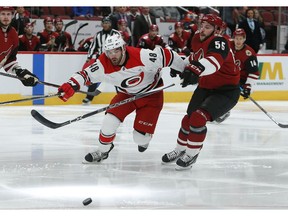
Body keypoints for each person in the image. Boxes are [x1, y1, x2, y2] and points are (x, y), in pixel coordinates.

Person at [57, 34, 186, 163]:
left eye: (116, 50)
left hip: (151, 95)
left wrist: (184, 70)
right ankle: (103, 151)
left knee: (140, 140)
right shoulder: (103, 63)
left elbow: (167, 56)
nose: (112, 55)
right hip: (126, 94)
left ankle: (144, 136)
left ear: (123, 48)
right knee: (109, 122)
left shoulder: (142, 56)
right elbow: (85, 74)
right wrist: (71, 84)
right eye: (109, 52)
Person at [161, 14, 240, 170]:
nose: (202, 30)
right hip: (205, 87)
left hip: (225, 91)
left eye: (208, 27)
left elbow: (214, 61)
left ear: (217, 30)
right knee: (188, 119)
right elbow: (195, 56)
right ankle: (180, 149)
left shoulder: (220, 41)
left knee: (198, 118)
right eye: (201, 25)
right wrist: (181, 67)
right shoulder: (197, 38)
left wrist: (195, 70)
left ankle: (192, 153)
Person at [215, 28, 260, 123]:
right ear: (233, 38)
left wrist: (248, 87)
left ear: (244, 39)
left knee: (228, 93)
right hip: (227, 74)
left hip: (240, 79)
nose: (238, 41)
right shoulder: (228, 45)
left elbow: (254, 72)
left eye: (241, 38)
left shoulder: (249, 53)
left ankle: (225, 111)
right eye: (236, 38)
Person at [82, 16, 120, 105]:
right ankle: (88, 98)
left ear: (110, 24)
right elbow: (93, 47)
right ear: (101, 24)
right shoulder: (98, 35)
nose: (106, 25)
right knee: (94, 78)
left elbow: (121, 46)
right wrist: (89, 57)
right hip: (100, 59)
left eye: (107, 23)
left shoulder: (116, 34)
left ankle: (121, 96)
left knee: (118, 78)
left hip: (113, 59)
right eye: (104, 23)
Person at [0, 7, 38, 87]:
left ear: (12, 16)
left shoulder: (13, 34)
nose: (6, 17)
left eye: (8, 14)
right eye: (3, 14)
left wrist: (20, 72)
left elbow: (9, 60)